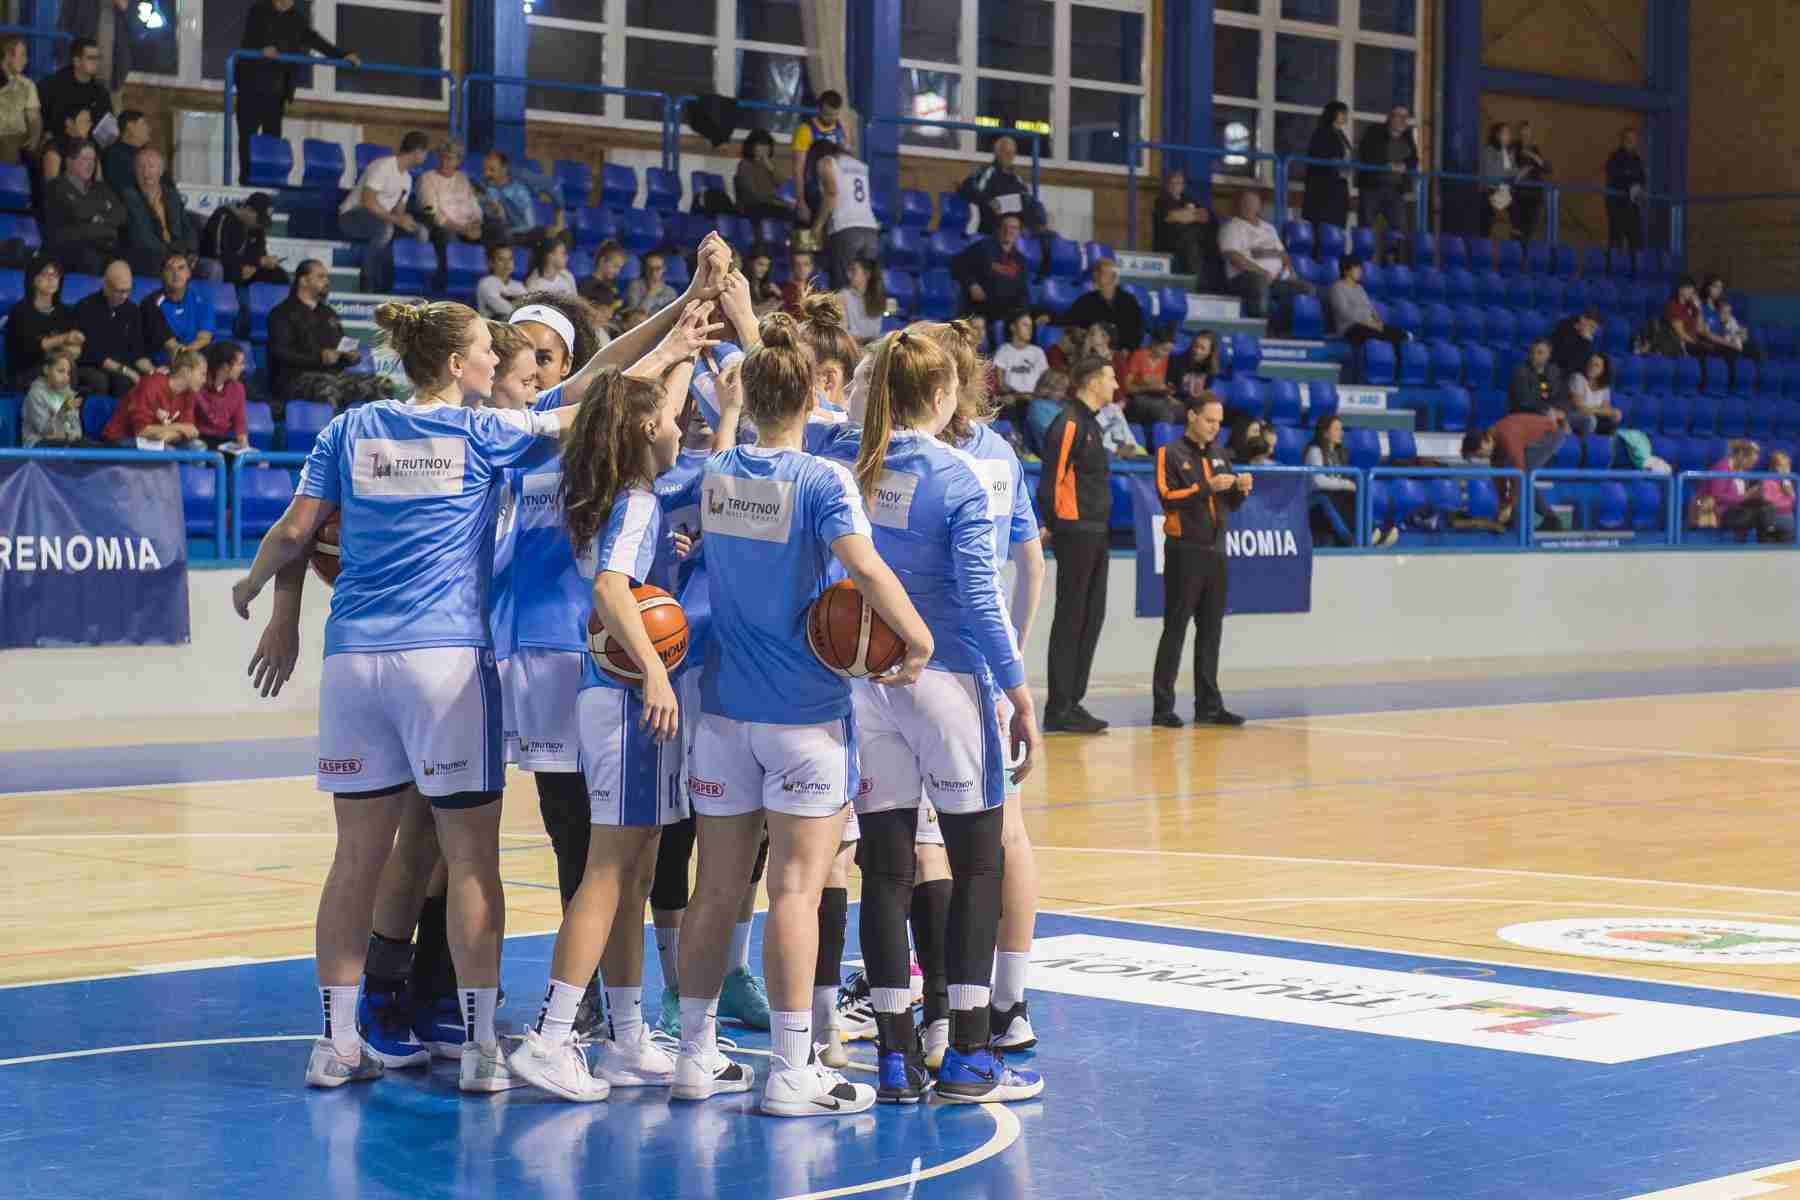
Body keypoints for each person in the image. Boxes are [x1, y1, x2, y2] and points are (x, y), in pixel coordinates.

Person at [229, 297, 589, 1094]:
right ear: (457, 365)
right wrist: (672, 345)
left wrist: (253, 589)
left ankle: (337, 1044)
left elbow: (294, 533)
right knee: (471, 859)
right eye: (487, 351)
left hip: (354, 662)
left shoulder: (350, 428)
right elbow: (583, 406)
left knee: (355, 859)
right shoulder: (482, 432)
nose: (498, 359)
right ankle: (482, 1049)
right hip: (445, 662)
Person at [676, 311, 932, 1119]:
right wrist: (917, 637)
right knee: (793, 890)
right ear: (808, 400)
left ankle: (693, 1057)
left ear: (747, 398)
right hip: (805, 717)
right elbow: (868, 569)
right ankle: (791, 1071)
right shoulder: (823, 481)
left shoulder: (714, 472)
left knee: (715, 889)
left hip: (723, 714)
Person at [813, 326, 1044, 1105]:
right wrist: (1018, 690)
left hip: (867, 681)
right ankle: (971, 1053)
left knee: (885, 869)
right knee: (977, 861)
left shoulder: (848, 458)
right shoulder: (959, 476)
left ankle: (894, 1057)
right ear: (943, 397)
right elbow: (982, 598)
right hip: (946, 680)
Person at [507, 311, 716, 1103]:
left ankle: (628, 1038)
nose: (680, 424)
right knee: (606, 870)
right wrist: (656, 674)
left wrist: (687, 348)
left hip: (623, 698)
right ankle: (553, 1037)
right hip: (625, 700)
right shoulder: (635, 501)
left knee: (635, 871)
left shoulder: (630, 488)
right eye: (670, 418)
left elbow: (652, 408)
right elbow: (608, 589)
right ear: (645, 433)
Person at [920, 318, 1048, 1057]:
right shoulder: (1000, 453)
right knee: (1008, 834)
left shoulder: (916, 455)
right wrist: (1016, 654)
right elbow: (1032, 563)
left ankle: (938, 1003)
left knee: (931, 844)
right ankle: (1009, 1002)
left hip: (927, 666)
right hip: (993, 664)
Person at [1151, 392, 1250, 728]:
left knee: (1211, 630)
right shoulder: (1170, 453)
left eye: (1219, 422)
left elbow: (1227, 504)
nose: (1215, 427)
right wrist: (1207, 487)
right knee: (1175, 628)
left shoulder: (1221, 455)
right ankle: (1163, 707)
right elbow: (1167, 497)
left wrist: (1240, 491)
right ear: (1192, 416)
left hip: (1216, 550)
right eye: (1209, 420)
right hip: (1184, 550)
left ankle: (1209, 705)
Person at [1037, 354, 1116, 735]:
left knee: (1091, 616)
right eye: (1111, 378)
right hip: (1076, 531)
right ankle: (1059, 706)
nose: (1116, 385)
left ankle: (1073, 700)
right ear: (1092, 381)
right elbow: (1051, 480)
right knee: (1071, 617)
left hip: (1097, 531)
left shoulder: (1091, 424)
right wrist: (1056, 526)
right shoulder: (1068, 422)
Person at [234, 0, 358, 185]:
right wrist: (262, 49)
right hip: (251, 88)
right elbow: (249, 40)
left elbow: (316, 41)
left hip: (277, 93)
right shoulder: (259, 10)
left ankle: (267, 185)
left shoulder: (297, 19)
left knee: (272, 142)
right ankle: (245, 184)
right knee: (247, 141)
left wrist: (342, 54)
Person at [338, 132, 429, 293]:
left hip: (380, 219)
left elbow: (399, 212)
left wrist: (407, 221)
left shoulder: (407, 179)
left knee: (420, 232)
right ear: (417, 151)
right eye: (425, 152)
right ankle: (367, 280)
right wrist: (397, 220)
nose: (426, 157)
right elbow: (368, 202)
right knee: (385, 229)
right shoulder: (384, 166)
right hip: (352, 215)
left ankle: (402, 282)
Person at [268, 260, 360, 412]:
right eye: (321, 277)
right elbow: (280, 352)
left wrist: (351, 356)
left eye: (327, 277)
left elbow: (342, 346)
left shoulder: (329, 313)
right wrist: (319, 357)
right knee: (328, 387)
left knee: (382, 384)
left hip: (332, 375)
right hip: (295, 379)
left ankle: (365, 427)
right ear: (303, 281)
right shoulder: (281, 313)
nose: (327, 281)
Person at [1219, 190, 1315, 334]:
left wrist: (1291, 272)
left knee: (1306, 288)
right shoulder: (1232, 227)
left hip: (1276, 279)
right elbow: (1234, 257)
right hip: (1244, 278)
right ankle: (1262, 331)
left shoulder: (1268, 228)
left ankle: (1285, 331)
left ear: (1259, 206)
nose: (1249, 206)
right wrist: (1262, 272)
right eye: (1246, 202)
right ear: (1239, 205)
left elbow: (1283, 253)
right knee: (1260, 281)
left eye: (1253, 202)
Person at [44, 138, 124, 275]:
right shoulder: (56, 186)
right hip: (70, 251)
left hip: (102, 249)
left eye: (93, 160)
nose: (90, 165)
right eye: (85, 159)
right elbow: (78, 212)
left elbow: (121, 214)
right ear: (69, 161)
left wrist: (97, 218)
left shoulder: (101, 188)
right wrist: (103, 209)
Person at [75, 258, 152, 399]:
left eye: (128, 290)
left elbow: (137, 351)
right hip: (91, 365)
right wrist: (125, 370)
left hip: (120, 366)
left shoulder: (132, 310)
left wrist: (152, 371)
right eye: (119, 291)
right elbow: (91, 353)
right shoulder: (85, 307)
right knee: (102, 380)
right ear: (105, 285)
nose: (124, 296)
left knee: (129, 381)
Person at [100, 347, 206, 447]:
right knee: (166, 450)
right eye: (202, 374)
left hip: (157, 440)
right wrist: (178, 427)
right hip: (121, 438)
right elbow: (141, 431)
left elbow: (190, 431)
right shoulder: (151, 385)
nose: (204, 380)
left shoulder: (189, 394)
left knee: (197, 446)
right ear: (186, 371)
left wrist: (170, 435)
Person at [7, 253, 83, 389]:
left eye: (55, 275)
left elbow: (75, 348)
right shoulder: (20, 311)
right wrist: (64, 338)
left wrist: (76, 346)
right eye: (45, 274)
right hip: (27, 370)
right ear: (33, 279)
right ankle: (66, 401)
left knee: (95, 378)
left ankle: (69, 401)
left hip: (60, 366)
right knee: (61, 371)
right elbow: (29, 349)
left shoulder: (64, 312)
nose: (51, 279)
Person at [417, 141, 489, 284]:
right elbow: (430, 211)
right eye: (442, 157)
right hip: (443, 226)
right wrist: (461, 229)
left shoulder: (463, 179)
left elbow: (475, 208)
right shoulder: (426, 178)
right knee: (444, 234)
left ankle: (490, 281)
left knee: (495, 231)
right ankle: (443, 282)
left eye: (449, 158)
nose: (445, 162)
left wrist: (476, 225)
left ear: (458, 161)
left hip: (466, 227)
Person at [810, 142, 880, 289]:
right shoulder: (860, 165)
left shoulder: (826, 161)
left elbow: (831, 193)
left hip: (845, 228)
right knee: (868, 287)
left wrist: (818, 226)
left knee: (843, 286)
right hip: (870, 229)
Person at [122, 148, 199, 274]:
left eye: (151, 166)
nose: (146, 172)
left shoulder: (172, 195)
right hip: (152, 258)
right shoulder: (130, 197)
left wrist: (191, 252)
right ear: (135, 171)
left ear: (161, 171)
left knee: (212, 268)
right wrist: (173, 255)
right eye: (141, 167)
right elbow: (143, 237)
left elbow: (188, 227)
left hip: (179, 255)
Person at [1357, 106, 1419, 261]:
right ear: (1390, 117)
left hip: (1396, 190)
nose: (1403, 120)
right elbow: (1366, 153)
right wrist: (1387, 164)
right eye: (1399, 116)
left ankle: (1394, 264)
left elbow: (1414, 160)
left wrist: (1405, 166)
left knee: (1399, 229)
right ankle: (1362, 264)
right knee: (1366, 226)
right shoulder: (1375, 131)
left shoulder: (1408, 136)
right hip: (1372, 187)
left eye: (1406, 117)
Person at [1303, 414, 1375, 547]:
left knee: (1354, 494)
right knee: (1330, 496)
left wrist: (1348, 486)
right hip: (1315, 501)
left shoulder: (1339, 453)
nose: (1341, 433)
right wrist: (1346, 484)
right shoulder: (1314, 451)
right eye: (1336, 429)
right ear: (1325, 433)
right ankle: (1352, 538)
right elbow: (1318, 481)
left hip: (1334, 496)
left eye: (1341, 429)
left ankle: (1371, 533)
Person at [950, 213, 1031, 327]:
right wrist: (971, 284)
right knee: (980, 322)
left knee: (1027, 320)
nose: (1008, 231)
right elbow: (957, 263)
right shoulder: (983, 248)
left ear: (1019, 232)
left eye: (1014, 228)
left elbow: (1023, 291)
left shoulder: (1020, 260)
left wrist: (1024, 312)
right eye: (1004, 227)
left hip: (1007, 309)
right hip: (981, 307)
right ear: (998, 229)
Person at [1489, 408, 1566, 528]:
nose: (1482, 457)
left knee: (1523, 477)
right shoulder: (1493, 446)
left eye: (1480, 453)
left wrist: (1510, 504)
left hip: (1551, 434)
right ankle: (1549, 519)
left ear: (1485, 441)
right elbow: (1499, 478)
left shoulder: (1506, 436)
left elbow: (1519, 472)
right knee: (1522, 479)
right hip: (1533, 438)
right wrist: (1503, 503)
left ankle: (1545, 520)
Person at [1702, 440, 1788, 543]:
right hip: (1723, 513)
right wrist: (1746, 496)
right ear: (1741, 456)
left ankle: (1769, 536)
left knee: (1767, 506)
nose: (1751, 466)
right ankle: (1768, 538)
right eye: (1750, 461)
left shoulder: (1742, 471)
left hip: (1739, 508)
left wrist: (1755, 494)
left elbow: (1742, 497)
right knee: (1756, 514)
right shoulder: (1722, 467)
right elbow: (1717, 496)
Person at [958, 135, 1042, 239]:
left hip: (1016, 231)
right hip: (992, 230)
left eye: (1013, 153)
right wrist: (989, 201)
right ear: (997, 153)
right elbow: (967, 189)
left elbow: (1027, 201)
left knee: (1038, 212)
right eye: (1007, 153)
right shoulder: (987, 173)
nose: (1010, 157)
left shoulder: (1017, 178)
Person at [479, 150, 565, 248]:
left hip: (529, 233)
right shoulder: (484, 185)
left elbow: (554, 187)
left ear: (504, 169)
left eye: (491, 169)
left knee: (561, 237)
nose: (486, 174)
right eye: (484, 169)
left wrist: (560, 223)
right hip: (503, 235)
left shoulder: (522, 177)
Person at [38, 38, 110, 155]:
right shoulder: (52, 85)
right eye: (91, 58)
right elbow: (43, 122)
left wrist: (93, 148)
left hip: (90, 149)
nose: (96, 62)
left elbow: (108, 131)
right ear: (76, 61)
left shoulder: (101, 92)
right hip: (57, 146)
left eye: (98, 58)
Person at [1065, 258, 1146, 359]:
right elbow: (1073, 326)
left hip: (1120, 354)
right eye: (1106, 275)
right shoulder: (1085, 301)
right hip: (1091, 353)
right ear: (1096, 279)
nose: (1111, 278)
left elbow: (1138, 330)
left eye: (1113, 275)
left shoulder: (1129, 301)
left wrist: (1127, 349)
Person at [142, 252, 215, 364]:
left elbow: (204, 337)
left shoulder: (202, 301)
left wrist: (189, 354)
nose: (176, 273)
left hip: (194, 359)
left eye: (181, 268)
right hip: (164, 363)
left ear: (189, 273)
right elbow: (171, 346)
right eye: (169, 269)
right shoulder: (150, 304)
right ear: (162, 274)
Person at [791, 90, 848, 228]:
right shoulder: (805, 130)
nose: (830, 119)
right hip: (813, 193)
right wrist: (801, 202)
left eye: (834, 114)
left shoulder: (840, 129)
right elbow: (798, 170)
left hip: (834, 194)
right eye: (827, 114)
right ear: (819, 109)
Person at [203, 193, 286, 286]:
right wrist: (256, 261)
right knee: (231, 272)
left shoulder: (257, 228)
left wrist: (264, 263)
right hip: (217, 264)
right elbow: (218, 254)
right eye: (259, 220)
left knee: (278, 274)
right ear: (248, 210)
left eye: (264, 222)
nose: (261, 225)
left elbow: (260, 253)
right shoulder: (223, 216)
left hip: (244, 266)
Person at [1151, 168, 1217, 284]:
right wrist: (1192, 215)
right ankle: (1195, 283)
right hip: (1169, 243)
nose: (1175, 186)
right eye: (1172, 183)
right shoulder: (1162, 200)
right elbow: (1173, 216)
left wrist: (1185, 215)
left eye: (1179, 183)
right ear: (1166, 185)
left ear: (1183, 186)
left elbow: (1205, 216)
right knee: (1190, 241)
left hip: (1190, 242)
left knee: (1206, 238)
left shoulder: (1188, 198)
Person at [1329, 256, 1407, 350]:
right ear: (1346, 270)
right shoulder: (1337, 288)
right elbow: (1345, 313)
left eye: (1360, 268)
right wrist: (1368, 323)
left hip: (1369, 325)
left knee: (1399, 335)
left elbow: (1370, 308)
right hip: (1350, 328)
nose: (1360, 271)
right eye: (1357, 268)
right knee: (1376, 335)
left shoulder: (1360, 288)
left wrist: (1377, 321)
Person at [1301, 102, 1352, 232]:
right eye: (1342, 112)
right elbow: (1320, 156)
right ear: (1332, 114)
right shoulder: (1322, 132)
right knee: (1323, 226)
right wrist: (1336, 163)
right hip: (1324, 188)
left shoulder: (1340, 134)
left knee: (1336, 227)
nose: (1345, 116)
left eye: (1346, 113)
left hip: (1339, 185)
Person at [22, 351, 85, 447]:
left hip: (64, 441)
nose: (66, 377)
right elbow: (44, 430)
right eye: (61, 371)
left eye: (68, 373)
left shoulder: (68, 394)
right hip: (38, 443)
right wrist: (64, 410)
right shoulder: (35, 394)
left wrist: (72, 436)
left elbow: (77, 431)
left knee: (91, 447)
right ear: (46, 370)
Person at [1121, 323, 1179, 426]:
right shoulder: (1138, 356)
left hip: (1156, 398)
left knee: (1177, 408)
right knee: (1162, 409)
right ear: (1154, 343)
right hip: (1137, 398)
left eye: (1169, 351)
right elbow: (1127, 387)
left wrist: (1167, 391)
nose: (1166, 354)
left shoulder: (1165, 360)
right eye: (1164, 349)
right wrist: (1147, 388)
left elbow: (1160, 385)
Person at [194, 340, 248, 448]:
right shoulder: (197, 385)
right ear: (225, 366)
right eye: (240, 364)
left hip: (221, 441)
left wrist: (244, 445)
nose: (243, 368)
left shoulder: (238, 388)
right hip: (197, 439)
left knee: (255, 458)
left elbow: (240, 424)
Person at [734, 128, 793, 222]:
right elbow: (752, 194)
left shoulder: (770, 165)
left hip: (769, 205)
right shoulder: (745, 165)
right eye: (760, 145)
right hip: (751, 206)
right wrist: (777, 201)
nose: (764, 148)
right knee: (785, 213)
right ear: (751, 147)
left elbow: (782, 184)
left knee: (796, 214)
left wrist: (771, 168)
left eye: (767, 145)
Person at [0, 37, 42, 165]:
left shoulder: (27, 85)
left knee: (10, 144)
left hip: (13, 138)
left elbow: (34, 118)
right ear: (8, 55)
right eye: (22, 55)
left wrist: (34, 137)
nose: (26, 61)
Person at [993, 311, 1049, 406]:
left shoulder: (1038, 352)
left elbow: (1045, 381)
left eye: (1031, 326)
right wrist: (1016, 396)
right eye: (1025, 325)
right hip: (1011, 401)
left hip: (1034, 400)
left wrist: (1023, 396)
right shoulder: (1003, 351)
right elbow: (1000, 384)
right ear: (1013, 327)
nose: (1030, 329)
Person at [1605, 128, 1646, 255]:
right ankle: (1614, 266)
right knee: (1616, 241)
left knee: (1636, 242)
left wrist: (1637, 186)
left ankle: (1635, 266)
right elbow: (1615, 177)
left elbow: (1642, 178)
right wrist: (1631, 184)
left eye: (1635, 140)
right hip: (1617, 206)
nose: (1633, 142)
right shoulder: (1614, 157)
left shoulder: (1637, 159)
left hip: (1632, 207)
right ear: (1624, 140)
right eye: (1630, 139)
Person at [1512, 121, 1550, 242]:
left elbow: (1546, 168)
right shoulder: (1514, 147)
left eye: (1528, 131)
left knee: (1529, 230)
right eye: (1523, 131)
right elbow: (1510, 169)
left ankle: (1525, 250)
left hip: (1534, 195)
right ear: (1519, 133)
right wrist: (1520, 172)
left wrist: (1532, 156)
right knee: (1517, 230)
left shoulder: (1534, 149)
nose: (1526, 134)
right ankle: (1515, 251)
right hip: (1519, 194)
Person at [1480, 123, 1518, 240]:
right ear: (1497, 135)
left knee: (1515, 227)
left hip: (1507, 194)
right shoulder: (1489, 151)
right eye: (1505, 133)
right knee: (1487, 230)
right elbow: (1493, 173)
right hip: (1491, 193)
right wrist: (1508, 174)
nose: (1509, 135)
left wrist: (1511, 173)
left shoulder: (1509, 152)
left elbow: (1514, 171)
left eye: (1509, 133)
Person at [1568, 352, 1622, 435]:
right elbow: (1580, 408)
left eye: (1596, 365)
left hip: (1594, 418)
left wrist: (1613, 413)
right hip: (1575, 416)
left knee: (1615, 418)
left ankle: (1603, 441)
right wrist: (1603, 411)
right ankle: (1585, 441)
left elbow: (1606, 409)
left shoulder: (1604, 387)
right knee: (1591, 419)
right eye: (1590, 363)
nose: (1591, 367)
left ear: (1603, 370)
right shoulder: (1578, 378)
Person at [1508, 338, 1563, 417]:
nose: (1534, 356)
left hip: (1547, 412)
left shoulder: (1553, 371)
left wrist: (1558, 410)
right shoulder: (1521, 372)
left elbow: (1558, 396)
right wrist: (1547, 410)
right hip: (1524, 415)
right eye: (1532, 352)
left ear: (1548, 355)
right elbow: (1525, 402)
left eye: (1540, 353)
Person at [38, 105, 92, 183]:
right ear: (69, 122)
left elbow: (99, 183)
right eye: (84, 121)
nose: (89, 125)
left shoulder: (89, 146)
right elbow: (52, 186)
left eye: (89, 121)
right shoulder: (54, 148)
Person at [837, 256, 885, 341]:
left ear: (867, 274)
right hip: (854, 345)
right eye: (849, 270)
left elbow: (876, 331)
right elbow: (843, 333)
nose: (848, 275)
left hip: (873, 344)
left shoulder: (877, 296)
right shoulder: (842, 296)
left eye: (853, 271)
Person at [100, 107, 148, 192]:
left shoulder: (147, 153)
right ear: (130, 127)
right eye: (143, 124)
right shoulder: (115, 155)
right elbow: (126, 191)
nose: (148, 128)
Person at [1167, 329, 1218, 405]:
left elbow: (1205, 394)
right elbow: (1168, 390)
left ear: (1210, 352)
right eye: (1195, 345)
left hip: (1194, 405)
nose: (1197, 351)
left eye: (1202, 348)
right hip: (1174, 402)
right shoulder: (1175, 361)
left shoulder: (1211, 369)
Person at [476, 243, 526, 319]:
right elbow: (502, 309)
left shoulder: (518, 285)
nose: (507, 263)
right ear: (490, 263)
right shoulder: (486, 283)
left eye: (510, 259)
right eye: (501, 259)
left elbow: (529, 306)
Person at [1550, 308, 1601, 376]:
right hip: (1556, 366)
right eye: (1591, 326)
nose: (1592, 331)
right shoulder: (1565, 326)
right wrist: (1585, 341)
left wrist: (1586, 342)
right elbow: (1567, 359)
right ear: (1583, 319)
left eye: (1594, 329)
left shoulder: (1588, 338)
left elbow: (1584, 363)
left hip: (1573, 373)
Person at [740, 243, 785, 317]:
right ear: (750, 263)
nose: (764, 269)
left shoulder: (767, 286)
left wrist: (780, 295)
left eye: (767, 265)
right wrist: (771, 305)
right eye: (760, 264)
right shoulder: (742, 284)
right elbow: (750, 312)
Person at [578, 241, 628, 305]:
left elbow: (618, 303)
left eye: (620, 268)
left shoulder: (612, 283)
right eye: (615, 266)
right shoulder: (586, 285)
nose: (617, 272)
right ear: (602, 261)